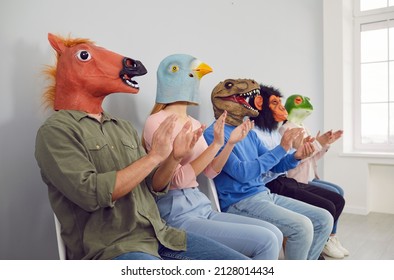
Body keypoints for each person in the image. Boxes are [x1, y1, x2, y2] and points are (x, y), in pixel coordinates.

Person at [34, 33, 250, 260]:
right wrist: (154, 157)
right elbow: (91, 194)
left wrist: (173, 158)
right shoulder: (56, 131)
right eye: (86, 56)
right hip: (112, 248)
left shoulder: (122, 127)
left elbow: (154, 186)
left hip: (162, 236)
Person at [142, 54, 283, 260]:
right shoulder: (156, 121)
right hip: (176, 211)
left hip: (200, 203)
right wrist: (213, 146)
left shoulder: (192, 121)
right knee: (267, 241)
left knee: (275, 233)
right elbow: (177, 180)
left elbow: (209, 172)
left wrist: (225, 144)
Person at [203, 78, 333, 260]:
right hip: (239, 202)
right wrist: (282, 148)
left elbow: (275, 164)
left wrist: (296, 156)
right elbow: (242, 173)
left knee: (324, 218)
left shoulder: (247, 131)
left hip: (263, 195)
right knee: (302, 227)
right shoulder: (213, 134)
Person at [279, 93, 349, 258]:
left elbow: (312, 157)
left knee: (338, 191)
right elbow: (296, 158)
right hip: (294, 179)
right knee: (335, 198)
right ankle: (325, 240)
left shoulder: (303, 127)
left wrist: (325, 145)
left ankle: (331, 238)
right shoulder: (286, 129)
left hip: (305, 178)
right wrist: (318, 143)